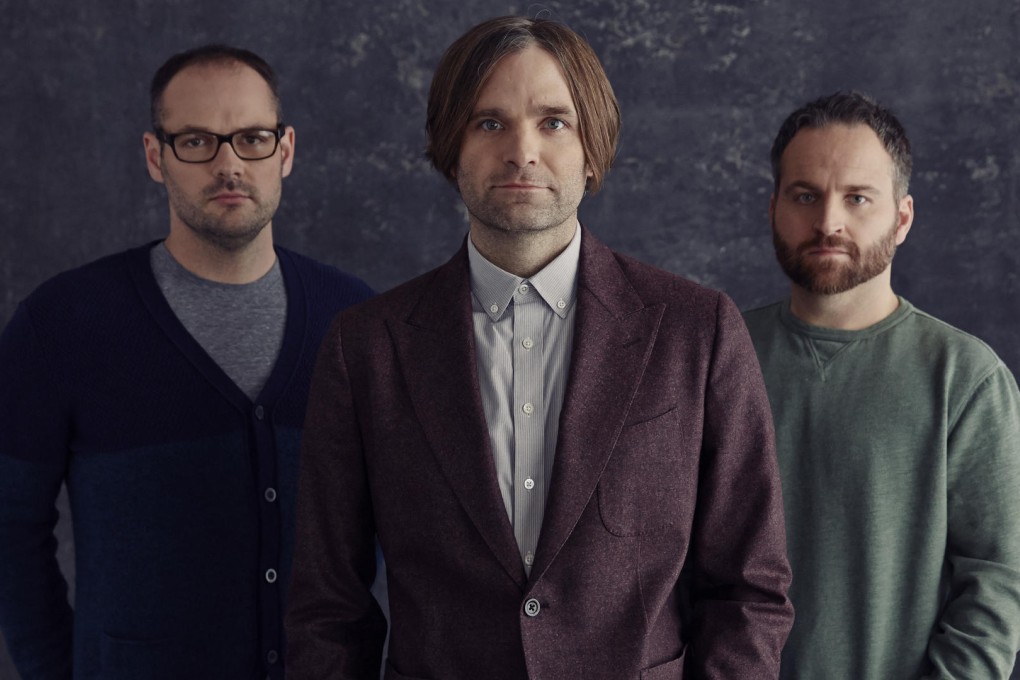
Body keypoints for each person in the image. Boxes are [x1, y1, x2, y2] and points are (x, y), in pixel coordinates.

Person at [285, 15, 793, 680]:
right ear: (451, 148)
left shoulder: (696, 331)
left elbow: (750, 588)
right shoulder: (367, 348)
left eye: (554, 121)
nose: (521, 150)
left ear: (592, 147)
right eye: (489, 122)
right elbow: (328, 607)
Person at [0, 45, 373, 679]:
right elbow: (9, 529)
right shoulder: (61, 324)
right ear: (156, 156)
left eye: (252, 138)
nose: (229, 165)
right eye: (197, 141)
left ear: (285, 151)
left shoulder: (354, 322)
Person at [743, 91, 1020, 679]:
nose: (828, 222)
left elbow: (998, 584)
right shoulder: (719, 358)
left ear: (902, 218)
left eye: (857, 198)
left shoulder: (965, 378)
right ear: (773, 209)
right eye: (805, 196)